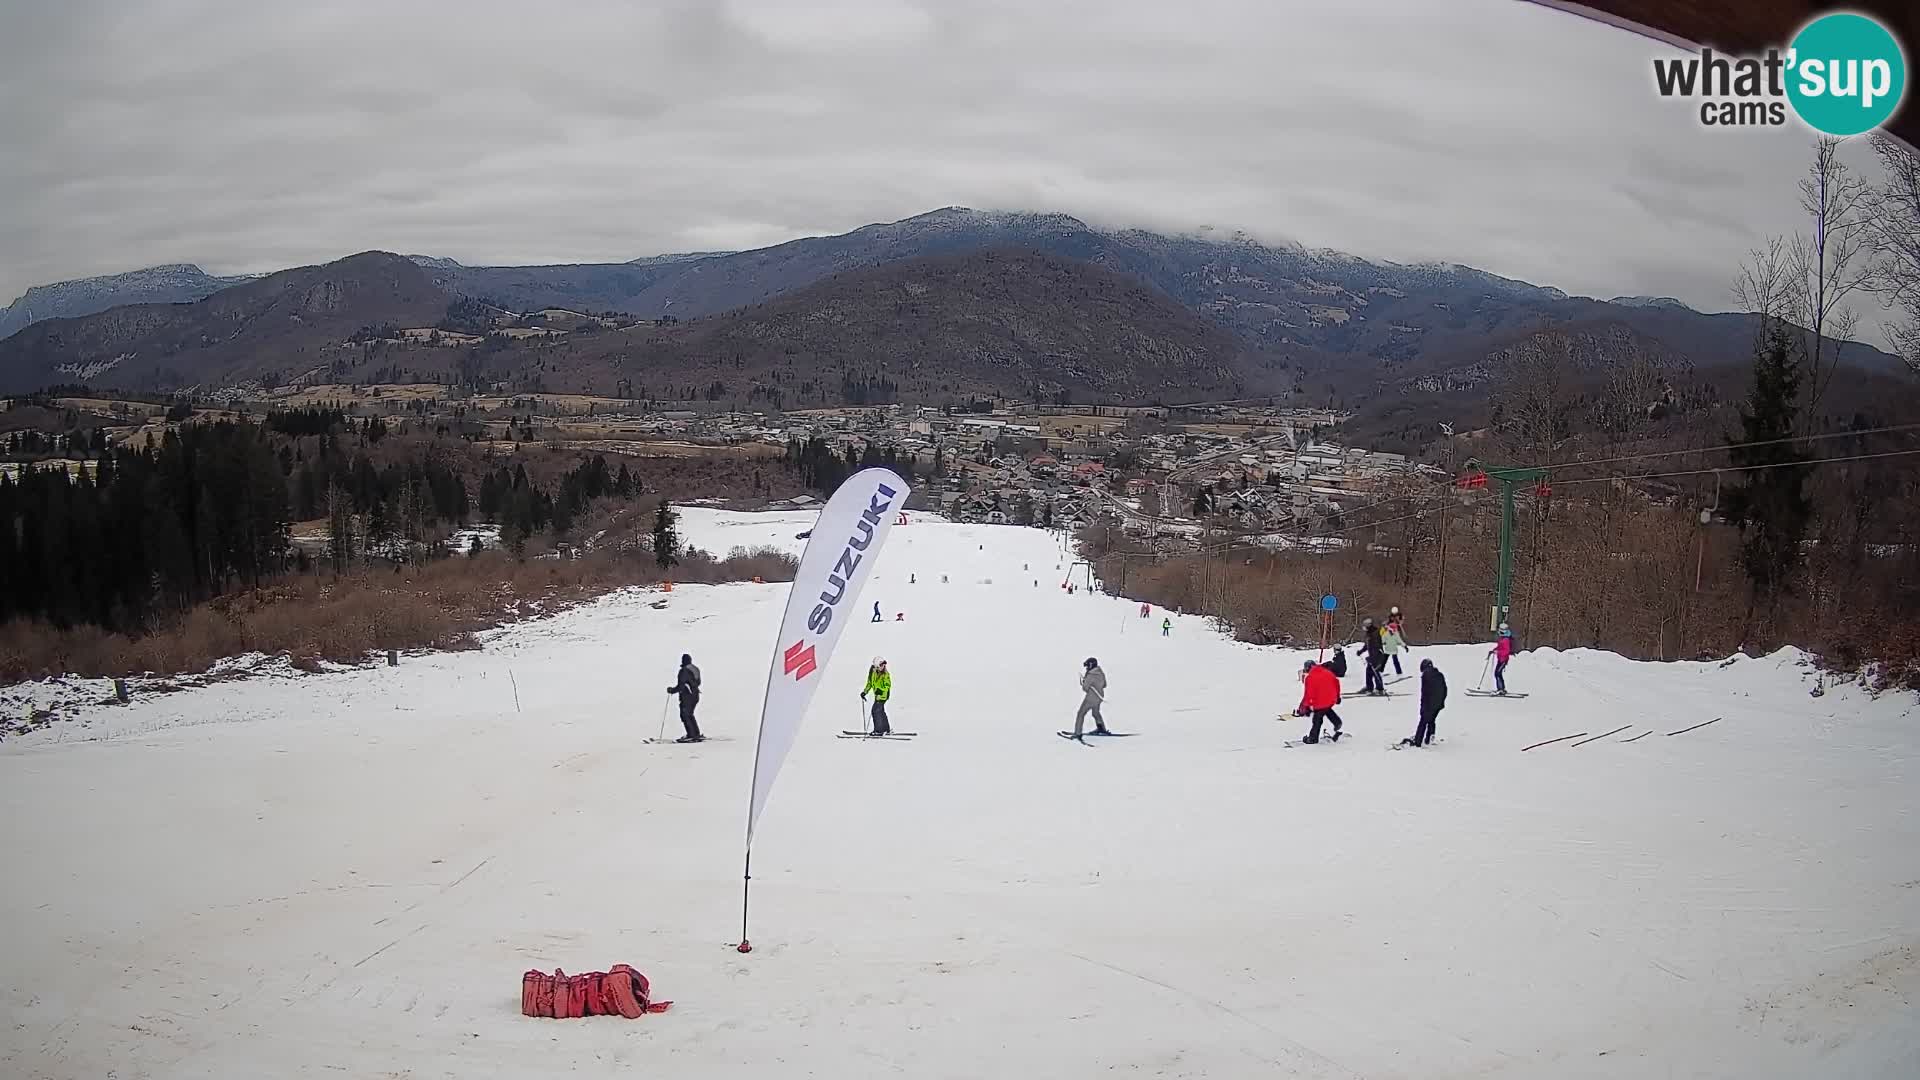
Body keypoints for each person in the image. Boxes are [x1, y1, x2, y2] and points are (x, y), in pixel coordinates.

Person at [1296, 660, 1343, 743]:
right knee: (1326, 709)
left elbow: (1308, 694)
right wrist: (1337, 697)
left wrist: (1305, 707)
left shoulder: (1309, 678)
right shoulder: (1327, 672)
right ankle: (1337, 722)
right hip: (1331, 699)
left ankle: (1313, 738)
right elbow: (1336, 683)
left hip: (1320, 702)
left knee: (1317, 719)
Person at [1404, 658, 1447, 747]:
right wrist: (1441, 702)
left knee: (1423, 721)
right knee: (1431, 720)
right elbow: (1445, 689)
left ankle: (1418, 741)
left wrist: (1423, 707)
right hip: (1438, 703)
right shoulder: (1439, 674)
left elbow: (1425, 693)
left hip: (1429, 704)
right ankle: (1429, 738)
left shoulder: (1425, 676)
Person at [665, 653, 703, 743]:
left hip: (688, 696)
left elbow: (681, 686)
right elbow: (697, 683)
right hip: (695, 695)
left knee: (685, 715)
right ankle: (695, 734)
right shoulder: (695, 669)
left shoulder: (684, 671)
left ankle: (691, 735)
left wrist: (671, 690)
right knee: (689, 714)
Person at [1071, 657, 1110, 739]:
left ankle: (1077, 733)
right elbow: (1104, 685)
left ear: (1091, 665)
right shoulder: (1100, 672)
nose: (1087, 668)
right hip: (1099, 697)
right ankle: (1101, 728)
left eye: (1087, 666)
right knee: (1095, 713)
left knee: (1081, 713)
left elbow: (1085, 688)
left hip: (1091, 698)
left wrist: (1085, 681)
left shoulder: (1091, 675)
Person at [861, 657, 893, 735]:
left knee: (875, 711)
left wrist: (881, 690)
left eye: (883, 665)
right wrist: (865, 692)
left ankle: (879, 730)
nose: (882, 667)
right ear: (876, 666)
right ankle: (886, 728)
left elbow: (887, 685)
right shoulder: (872, 672)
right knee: (880, 711)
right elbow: (870, 683)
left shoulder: (885, 674)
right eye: (880, 666)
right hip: (877, 695)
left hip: (883, 695)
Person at [1360, 617, 1387, 695]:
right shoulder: (1369, 633)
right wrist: (1361, 651)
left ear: (1368, 626)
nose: (1364, 628)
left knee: (1375, 672)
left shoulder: (1374, 634)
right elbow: (1367, 645)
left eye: (1365, 626)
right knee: (1368, 672)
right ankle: (1369, 688)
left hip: (1377, 656)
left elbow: (1376, 647)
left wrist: (1371, 658)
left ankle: (1379, 688)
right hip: (1372, 657)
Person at [1489, 624, 1514, 695]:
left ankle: (1501, 689)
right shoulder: (1502, 639)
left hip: (1504, 659)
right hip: (1500, 659)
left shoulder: (1506, 640)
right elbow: (1500, 647)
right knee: (1497, 674)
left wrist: (1498, 652)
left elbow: (1506, 651)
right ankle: (1500, 688)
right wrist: (1494, 650)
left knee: (1498, 673)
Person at [1382, 610, 1408, 676]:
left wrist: (1405, 646)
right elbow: (1383, 640)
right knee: (1387, 661)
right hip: (1389, 649)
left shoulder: (1394, 633)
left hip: (1391, 650)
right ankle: (1381, 670)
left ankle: (1398, 672)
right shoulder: (1388, 633)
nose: (1394, 629)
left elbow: (1399, 640)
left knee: (1392, 661)